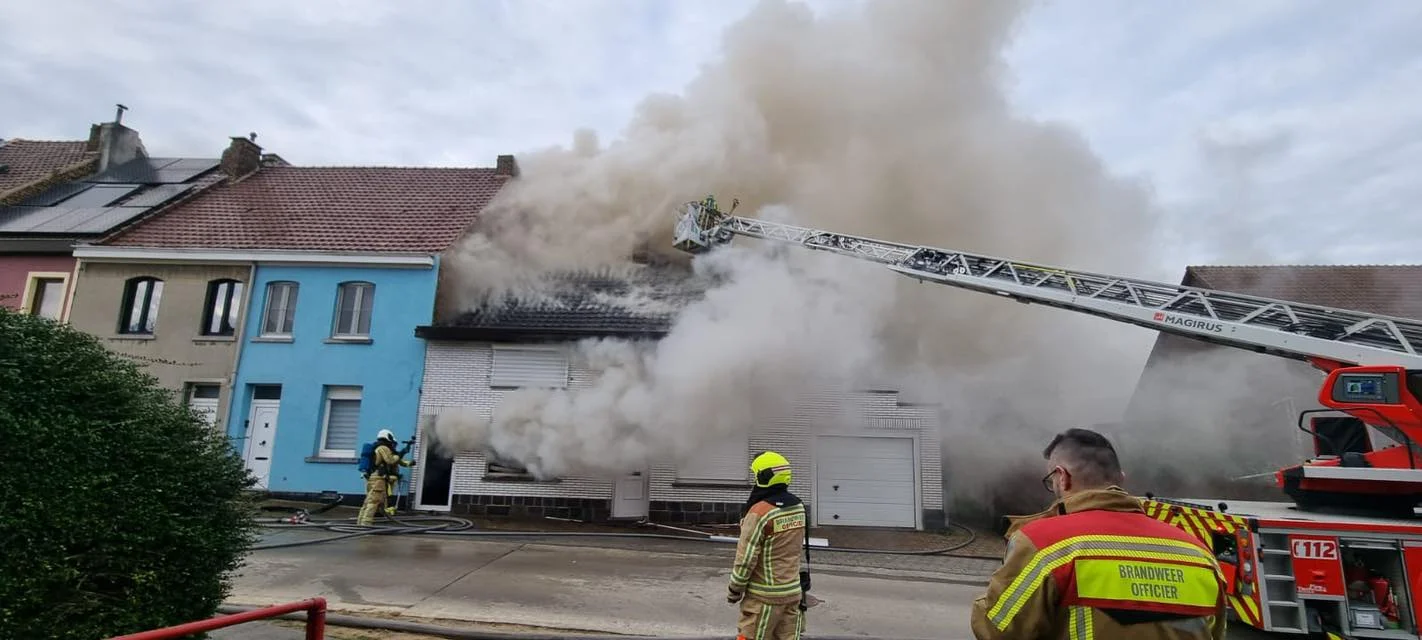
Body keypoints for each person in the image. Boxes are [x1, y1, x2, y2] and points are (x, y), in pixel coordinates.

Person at [970, 428, 1228, 640]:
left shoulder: (1044, 544)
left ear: (1062, 477)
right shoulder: (1199, 554)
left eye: (1051, 481)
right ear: (1121, 479)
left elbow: (997, 630)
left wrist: (1000, 583)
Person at [728, 451, 808, 640]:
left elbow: (746, 559)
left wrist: (734, 590)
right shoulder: (798, 507)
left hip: (764, 598)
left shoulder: (759, 512)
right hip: (793, 593)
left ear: (763, 477)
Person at [356, 428, 412, 526]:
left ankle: (360, 523)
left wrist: (407, 460)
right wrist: (402, 453)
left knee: (368, 502)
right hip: (378, 479)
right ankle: (365, 525)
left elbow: (396, 460)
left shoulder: (377, 447)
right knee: (373, 502)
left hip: (373, 478)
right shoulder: (383, 448)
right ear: (388, 437)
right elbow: (391, 460)